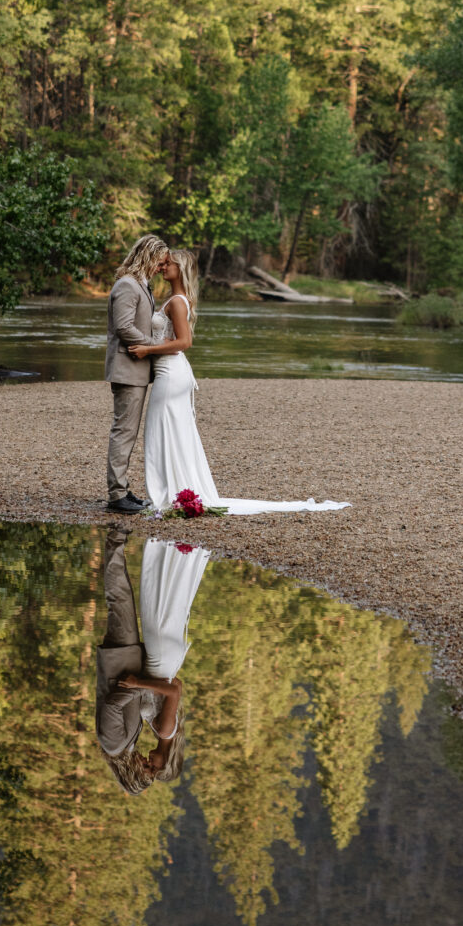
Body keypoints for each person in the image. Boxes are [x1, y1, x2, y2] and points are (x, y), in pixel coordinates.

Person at [129, 250, 351, 515]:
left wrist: (146, 350)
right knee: (171, 432)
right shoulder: (176, 299)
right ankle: (175, 492)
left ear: (181, 268)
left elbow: (184, 343)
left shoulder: (177, 302)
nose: (163, 267)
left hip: (170, 373)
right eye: (163, 264)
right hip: (172, 373)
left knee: (161, 431)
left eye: (168, 264)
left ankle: (169, 494)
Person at [98, 532, 209, 795]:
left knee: (139, 602)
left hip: (142, 659)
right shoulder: (163, 731)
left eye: (145, 769)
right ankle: (161, 545)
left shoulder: (134, 740)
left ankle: (168, 547)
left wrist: (144, 683)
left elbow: (173, 685)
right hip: (152, 660)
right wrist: (139, 684)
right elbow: (173, 689)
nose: (148, 763)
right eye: (153, 767)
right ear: (163, 764)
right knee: (141, 602)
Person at [104, 234, 169, 514]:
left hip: (136, 370)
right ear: (148, 256)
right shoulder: (128, 285)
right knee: (124, 432)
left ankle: (122, 489)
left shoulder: (140, 285)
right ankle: (117, 495)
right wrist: (156, 346)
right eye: (160, 262)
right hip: (127, 368)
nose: (161, 268)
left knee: (127, 431)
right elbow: (123, 327)